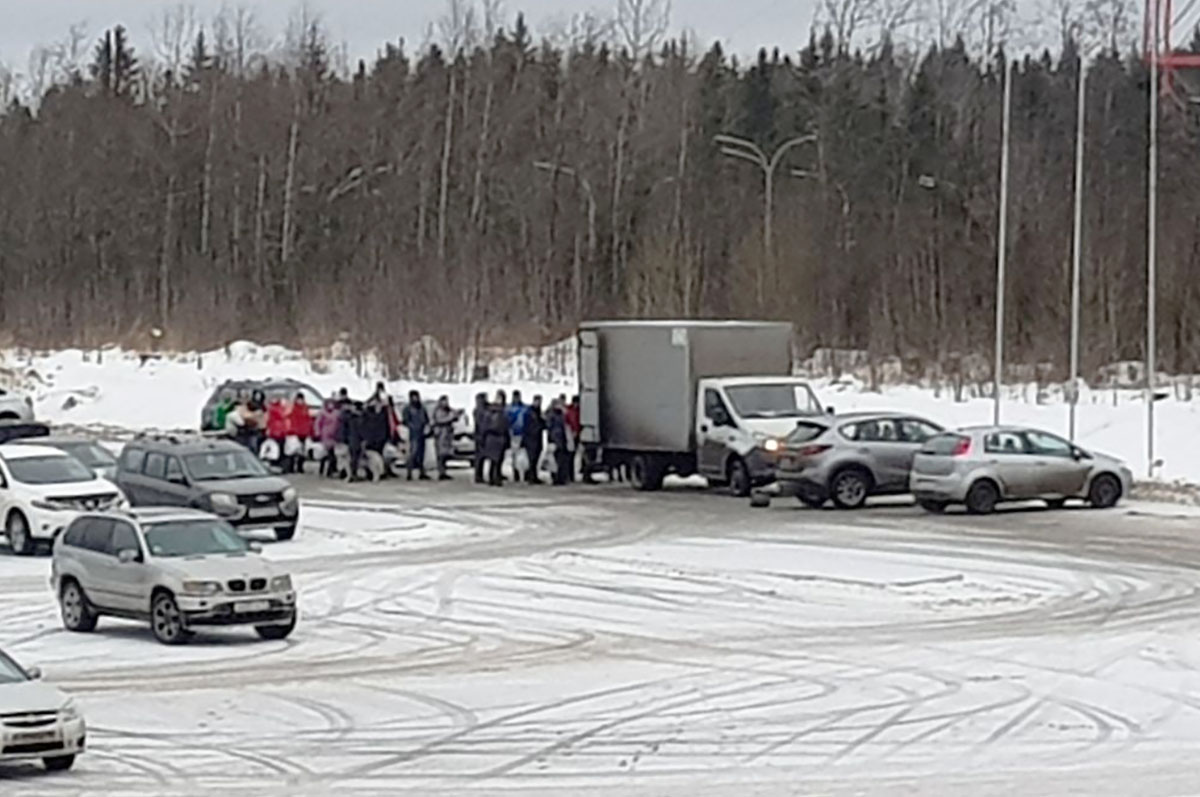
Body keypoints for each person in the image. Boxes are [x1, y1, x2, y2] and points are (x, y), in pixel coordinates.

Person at [483, 390, 510, 487]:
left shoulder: (498, 412)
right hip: (495, 436)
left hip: (497, 437)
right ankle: (494, 478)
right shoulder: (495, 412)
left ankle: (495, 477)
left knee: (497, 460)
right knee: (495, 460)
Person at [401, 390, 430, 480]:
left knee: (421, 454)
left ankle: (422, 472)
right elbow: (405, 421)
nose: (415, 399)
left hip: (421, 433)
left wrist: (426, 427)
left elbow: (426, 419)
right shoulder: (407, 408)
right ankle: (409, 473)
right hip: (412, 434)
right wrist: (411, 427)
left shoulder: (422, 408)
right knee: (412, 453)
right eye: (413, 397)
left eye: (416, 396)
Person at [432, 396, 461, 481]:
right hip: (441, 435)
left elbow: (453, 417)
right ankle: (441, 472)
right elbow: (440, 420)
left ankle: (444, 472)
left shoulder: (448, 410)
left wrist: (456, 415)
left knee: (445, 455)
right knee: (441, 455)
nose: (446, 403)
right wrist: (451, 417)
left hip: (447, 435)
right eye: (444, 401)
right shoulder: (438, 411)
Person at [547, 398, 572, 486]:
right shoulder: (552, 415)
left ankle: (560, 478)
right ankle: (556, 478)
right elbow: (550, 428)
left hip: (561, 440)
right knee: (555, 461)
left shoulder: (561, 415)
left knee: (561, 461)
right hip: (556, 440)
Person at [339, 400, 366, 481]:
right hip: (356, 440)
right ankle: (352, 474)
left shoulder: (350, 418)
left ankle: (350, 474)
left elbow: (345, 430)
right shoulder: (358, 419)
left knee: (352, 458)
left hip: (352, 440)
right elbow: (362, 431)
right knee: (354, 458)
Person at [522, 395, 546, 484]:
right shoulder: (529, 413)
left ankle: (534, 476)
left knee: (536, 459)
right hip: (531, 438)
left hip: (537, 438)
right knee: (532, 459)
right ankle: (531, 477)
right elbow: (529, 426)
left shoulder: (538, 412)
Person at [314, 399, 341, 477]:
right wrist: (317, 432)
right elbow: (318, 423)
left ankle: (331, 469)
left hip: (334, 436)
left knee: (333, 454)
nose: (331, 406)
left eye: (332, 404)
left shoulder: (336, 413)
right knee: (328, 454)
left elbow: (338, 423)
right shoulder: (322, 413)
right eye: (329, 404)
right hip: (325, 435)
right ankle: (326, 470)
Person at [288, 393, 314, 474]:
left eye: (301, 399)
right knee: (294, 451)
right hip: (296, 432)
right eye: (299, 399)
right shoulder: (294, 408)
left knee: (302, 451)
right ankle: (291, 467)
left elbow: (308, 420)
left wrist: (309, 430)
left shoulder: (305, 408)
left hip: (304, 432)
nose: (300, 401)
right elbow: (292, 420)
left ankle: (300, 467)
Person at [507, 390, 528, 482]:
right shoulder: (510, 408)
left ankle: (524, 472)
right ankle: (516, 473)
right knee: (514, 455)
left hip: (522, 433)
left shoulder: (524, 408)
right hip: (514, 433)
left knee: (522, 455)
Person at [265, 397, 289, 468]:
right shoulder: (273, 408)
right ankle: (276, 463)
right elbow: (282, 415)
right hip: (276, 431)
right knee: (276, 448)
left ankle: (278, 463)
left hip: (280, 431)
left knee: (280, 448)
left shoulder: (275, 408)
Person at [472, 393, 488, 484]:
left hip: (479, 434)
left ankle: (478, 475)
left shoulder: (477, 410)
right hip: (481, 435)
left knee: (479, 457)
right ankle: (478, 476)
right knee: (480, 457)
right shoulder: (480, 411)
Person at [565, 395, 582, 482]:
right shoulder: (571, 412)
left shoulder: (572, 411)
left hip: (576, 435)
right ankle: (570, 475)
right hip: (571, 435)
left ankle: (571, 475)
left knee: (573, 456)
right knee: (570, 456)